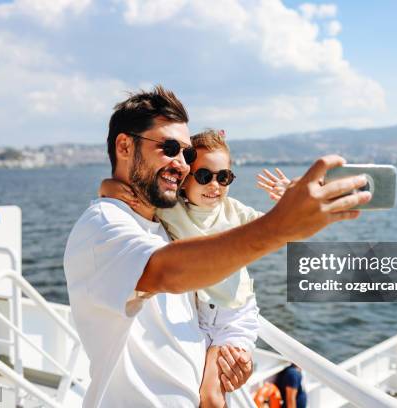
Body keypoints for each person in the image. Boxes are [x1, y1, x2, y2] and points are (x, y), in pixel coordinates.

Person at [63, 85, 371, 407]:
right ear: (124, 146)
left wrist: (225, 357)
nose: (182, 164)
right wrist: (280, 225)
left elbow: (201, 299)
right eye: (169, 148)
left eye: (187, 154)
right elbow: (166, 270)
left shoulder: (163, 227)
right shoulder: (101, 227)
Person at [99, 129, 291, 407]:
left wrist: (288, 201)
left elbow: (281, 231)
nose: (215, 185)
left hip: (234, 317)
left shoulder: (234, 212)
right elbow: (110, 187)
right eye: (204, 176)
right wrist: (111, 191)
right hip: (196, 319)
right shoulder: (171, 209)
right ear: (186, 178)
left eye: (224, 177)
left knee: (211, 396)